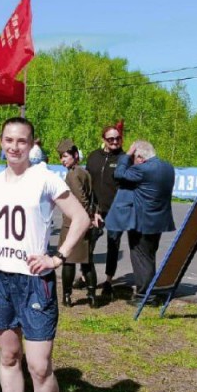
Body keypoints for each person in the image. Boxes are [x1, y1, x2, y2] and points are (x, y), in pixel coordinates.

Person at [0, 117, 89, 392]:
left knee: (39, 365)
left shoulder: (44, 177)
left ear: (32, 144)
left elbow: (81, 218)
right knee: (9, 357)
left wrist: (57, 257)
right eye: (8, 140)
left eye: (21, 141)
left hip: (32, 281)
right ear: (0, 141)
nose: (14, 147)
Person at [105, 140, 176, 305]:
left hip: (142, 222)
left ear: (141, 158)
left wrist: (126, 155)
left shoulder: (143, 169)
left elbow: (119, 174)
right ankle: (150, 290)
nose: (133, 161)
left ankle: (145, 297)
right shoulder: (167, 167)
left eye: (135, 158)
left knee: (141, 258)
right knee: (149, 257)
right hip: (159, 221)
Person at [85, 124, 125, 304]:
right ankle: (86, 276)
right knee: (88, 242)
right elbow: (88, 183)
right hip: (96, 210)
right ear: (104, 140)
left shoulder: (125, 159)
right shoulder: (94, 157)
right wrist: (92, 209)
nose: (115, 141)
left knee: (113, 244)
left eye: (117, 138)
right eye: (111, 139)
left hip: (116, 210)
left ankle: (109, 280)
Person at [57, 138, 97, 307]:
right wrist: (92, 216)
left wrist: (84, 217)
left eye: (65, 156)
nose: (62, 160)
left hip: (73, 223)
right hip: (85, 223)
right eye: (61, 157)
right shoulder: (83, 172)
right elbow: (92, 197)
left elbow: (82, 200)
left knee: (68, 261)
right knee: (87, 262)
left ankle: (66, 297)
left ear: (74, 155)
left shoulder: (73, 174)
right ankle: (92, 297)